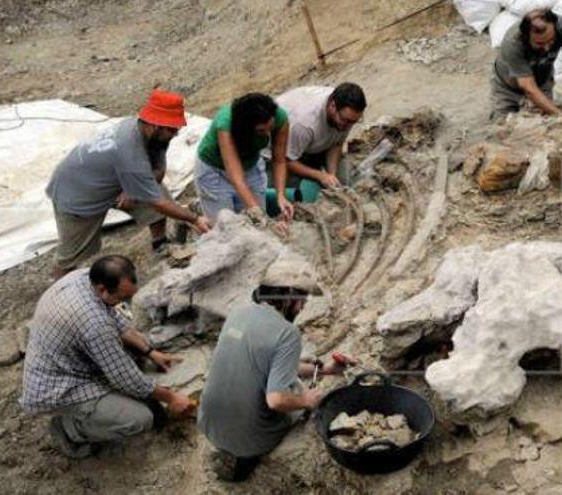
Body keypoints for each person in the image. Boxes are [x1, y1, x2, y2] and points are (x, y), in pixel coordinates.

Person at [20, 255, 195, 459]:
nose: (126, 304)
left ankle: (91, 413)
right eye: (122, 298)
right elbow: (125, 379)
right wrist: (172, 397)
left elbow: (115, 321)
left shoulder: (84, 277)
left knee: (133, 353)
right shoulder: (93, 323)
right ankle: (70, 429)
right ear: (103, 289)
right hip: (59, 387)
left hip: (66, 358)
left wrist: (150, 351)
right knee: (140, 419)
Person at [197, 263, 346, 482]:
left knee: (282, 381)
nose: (303, 307)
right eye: (302, 300)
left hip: (208, 423)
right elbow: (276, 401)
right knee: (295, 391)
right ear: (287, 298)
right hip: (251, 437)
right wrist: (307, 400)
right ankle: (247, 455)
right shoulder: (287, 333)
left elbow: (271, 363)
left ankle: (230, 445)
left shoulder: (238, 313)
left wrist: (325, 370)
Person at [46, 88, 211, 279]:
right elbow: (158, 203)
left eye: (177, 128)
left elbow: (158, 171)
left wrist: (131, 190)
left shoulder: (147, 133)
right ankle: (60, 289)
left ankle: (160, 245)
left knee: (157, 191)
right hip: (77, 192)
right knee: (72, 254)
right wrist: (193, 218)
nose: (175, 134)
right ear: (155, 125)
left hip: (110, 178)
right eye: (172, 129)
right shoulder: (130, 151)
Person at [265, 83, 366, 216]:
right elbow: (285, 160)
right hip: (276, 154)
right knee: (304, 192)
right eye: (346, 121)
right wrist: (320, 176)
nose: (349, 125)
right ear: (333, 106)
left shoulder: (346, 115)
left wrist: (331, 175)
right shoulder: (303, 123)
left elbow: (336, 143)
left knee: (345, 177)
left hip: (309, 146)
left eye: (354, 122)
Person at [194, 93, 293, 226]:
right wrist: (258, 212)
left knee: (257, 222)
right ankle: (200, 208)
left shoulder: (279, 117)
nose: (268, 134)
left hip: (250, 165)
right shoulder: (225, 123)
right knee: (226, 226)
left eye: (270, 128)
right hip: (215, 170)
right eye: (261, 131)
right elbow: (237, 178)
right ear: (245, 128)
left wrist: (280, 196)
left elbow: (279, 160)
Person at [491, 9, 562, 120]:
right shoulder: (513, 43)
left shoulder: (561, 26)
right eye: (540, 43)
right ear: (526, 37)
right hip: (508, 88)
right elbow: (528, 87)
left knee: (546, 122)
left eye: (551, 41)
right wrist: (560, 115)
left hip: (542, 82)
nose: (547, 48)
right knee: (504, 126)